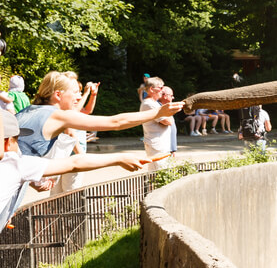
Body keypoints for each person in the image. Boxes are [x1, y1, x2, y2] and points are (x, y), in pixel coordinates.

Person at [16, 72, 183, 194]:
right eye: (75, 92)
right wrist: (158, 113)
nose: (79, 96)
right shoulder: (57, 115)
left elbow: (16, 155)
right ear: (58, 95)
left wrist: (31, 179)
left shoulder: (28, 111)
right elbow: (115, 122)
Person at [1, 111, 150, 227]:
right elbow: (75, 163)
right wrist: (120, 158)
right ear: (7, 143)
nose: (19, 146)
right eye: (17, 140)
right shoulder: (15, 163)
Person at [140, 77, 173, 167]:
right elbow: (168, 121)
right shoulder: (149, 104)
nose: (162, 91)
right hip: (156, 147)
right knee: (157, 174)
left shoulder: (154, 103)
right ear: (151, 89)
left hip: (160, 145)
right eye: (161, 88)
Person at [160, 86, 179, 156]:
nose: (173, 98)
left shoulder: (167, 108)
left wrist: (173, 149)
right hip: (162, 149)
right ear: (165, 96)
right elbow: (168, 122)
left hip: (169, 149)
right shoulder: (158, 107)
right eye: (171, 95)